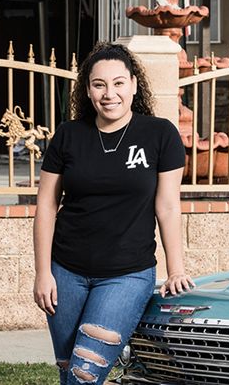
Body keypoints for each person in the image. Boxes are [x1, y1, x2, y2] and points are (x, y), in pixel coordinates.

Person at [33, 42, 194, 385]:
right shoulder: (68, 136)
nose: (110, 94)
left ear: (134, 85)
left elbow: (167, 205)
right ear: (87, 90)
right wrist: (43, 272)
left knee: (84, 375)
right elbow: (46, 205)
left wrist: (176, 268)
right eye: (99, 84)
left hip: (126, 276)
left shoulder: (159, 134)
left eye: (119, 83)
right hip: (65, 274)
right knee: (68, 372)